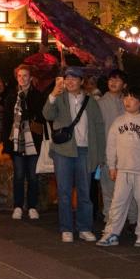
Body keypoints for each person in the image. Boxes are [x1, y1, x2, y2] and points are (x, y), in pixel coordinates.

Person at [42, 67, 106, 243]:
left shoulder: (91, 101)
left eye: (74, 78)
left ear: (81, 81)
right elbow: (46, 114)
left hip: (85, 150)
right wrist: (53, 93)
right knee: (64, 191)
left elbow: (99, 128)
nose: (70, 81)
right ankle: (66, 227)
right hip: (63, 151)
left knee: (85, 191)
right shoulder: (59, 99)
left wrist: (101, 155)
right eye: (67, 78)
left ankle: (85, 227)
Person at [97, 85, 140, 248]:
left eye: (132, 98)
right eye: (125, 97)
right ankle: (111, 233)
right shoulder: (118, 122)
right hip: (123, 171)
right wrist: (112, 166)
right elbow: (111, 146)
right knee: (117, 203)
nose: (127, 101)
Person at [97, 69, 138, 228]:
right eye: (111, 80)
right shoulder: (99, 103)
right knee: (109, 189)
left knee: (132, 188)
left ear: (124, 84)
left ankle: (133, 218)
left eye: (118, 80)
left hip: (129, 153)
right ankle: (110, 219)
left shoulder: (130, 102)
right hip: (109, 153)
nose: (113, 83)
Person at [2, 64, 44, 220]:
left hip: (33, 140)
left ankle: (32, 206)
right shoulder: (11, 97)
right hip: (17, 141)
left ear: (31, 77)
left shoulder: (38, 96)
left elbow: (41, 117)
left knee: (33, 176)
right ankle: (18, 206)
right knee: (19, 175)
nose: (22, 79)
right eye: (19, 76)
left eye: (25, 75)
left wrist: (28, 112)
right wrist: (6, 144)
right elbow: (6, 122)